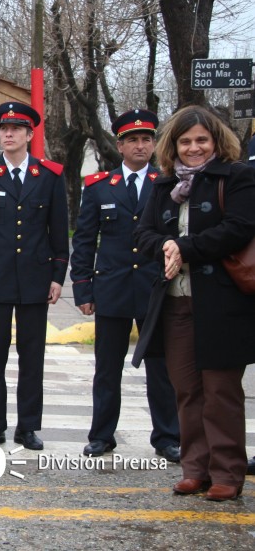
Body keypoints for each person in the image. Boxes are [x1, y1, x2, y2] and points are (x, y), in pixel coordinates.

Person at [134, 105, 255, 501]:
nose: (194, 148)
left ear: (216, 141)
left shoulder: (237, 177)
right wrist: (166, 244)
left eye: (202, 140)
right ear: (174, 145)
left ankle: (227, 473)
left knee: (221, 392)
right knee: (186, 390)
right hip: (175, 302)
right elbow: (145, 233)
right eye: (185, 141)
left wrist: (184, 247)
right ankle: (195, 469)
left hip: (222, 304)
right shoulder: (162, 184)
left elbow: (238, 228)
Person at [71, 109, 181, 461]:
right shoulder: (100, 186)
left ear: (154, 144)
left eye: (147, 139)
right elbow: (85, 240)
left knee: (161, 368)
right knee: (107, 368)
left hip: (155, 289)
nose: (140, 145)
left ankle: (167, 436)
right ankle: (102, 435)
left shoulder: (168, 184)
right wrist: (83, 290)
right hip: (113, 290)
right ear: (120, 145)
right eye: (132, 139)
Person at [0, 101, 69, 450]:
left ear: (29, 134)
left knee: (32, 356)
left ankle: (28, 427)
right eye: (3, 129)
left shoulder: (50, 175)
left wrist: (57, 275)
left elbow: (59, 230)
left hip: (35, 279)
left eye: (16, 129)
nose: (8, 134)